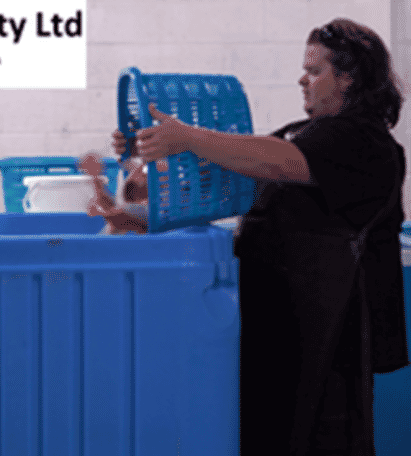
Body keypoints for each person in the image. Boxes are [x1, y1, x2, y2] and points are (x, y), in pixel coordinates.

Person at [104, 17, 410, 456]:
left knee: (321, 436)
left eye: (315, 71)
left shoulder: (364, 142)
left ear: (350, 78)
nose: (301, 80)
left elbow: (279, 163)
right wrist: (149, 150)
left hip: (328, 337)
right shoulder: (301, 133)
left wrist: (187, 136)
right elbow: (226, 180)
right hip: (278, 327)